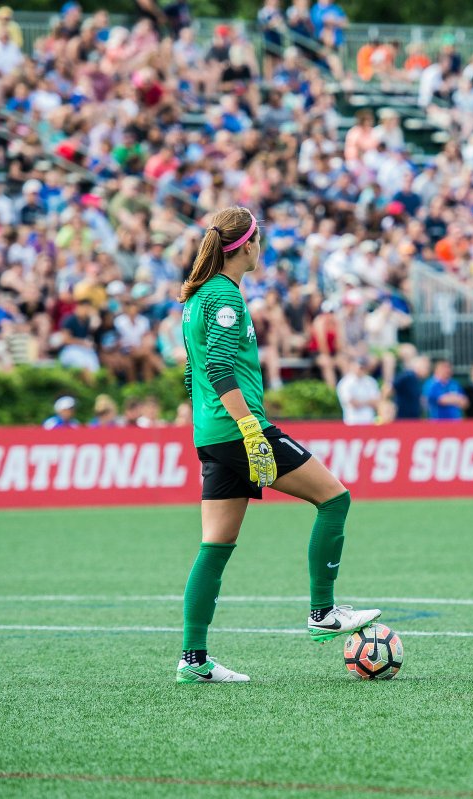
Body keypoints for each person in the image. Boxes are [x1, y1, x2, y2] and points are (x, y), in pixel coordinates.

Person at [176, 206, 380, 684]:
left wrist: (212, 418)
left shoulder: (198, 296)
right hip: (239, 429)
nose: (260, 248)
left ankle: (193, 660)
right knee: (334, 498)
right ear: (245, 246)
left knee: (215, 547)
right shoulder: (224, 295)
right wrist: (250, 427)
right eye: (258, 240)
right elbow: (217, 369)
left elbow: (190, 372)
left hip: (212, 434)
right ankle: (323, 612)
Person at [337, 357, 380, 425]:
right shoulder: (345, 383)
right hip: (352, 421)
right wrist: (368, 402)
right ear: (352, 366)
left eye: (363, 368)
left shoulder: (371, 381)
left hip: (370, 421)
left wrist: (360, 402)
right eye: (360, 367)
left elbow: (376, 402)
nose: (361, 370)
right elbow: (352, 403)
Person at [390, 353, 430, 420]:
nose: (427, 371)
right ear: (418, 366)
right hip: (403, 418)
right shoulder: (408, 376)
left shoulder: (417, 380)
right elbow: (390, 387)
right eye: (426, 367)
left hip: (412, 418)